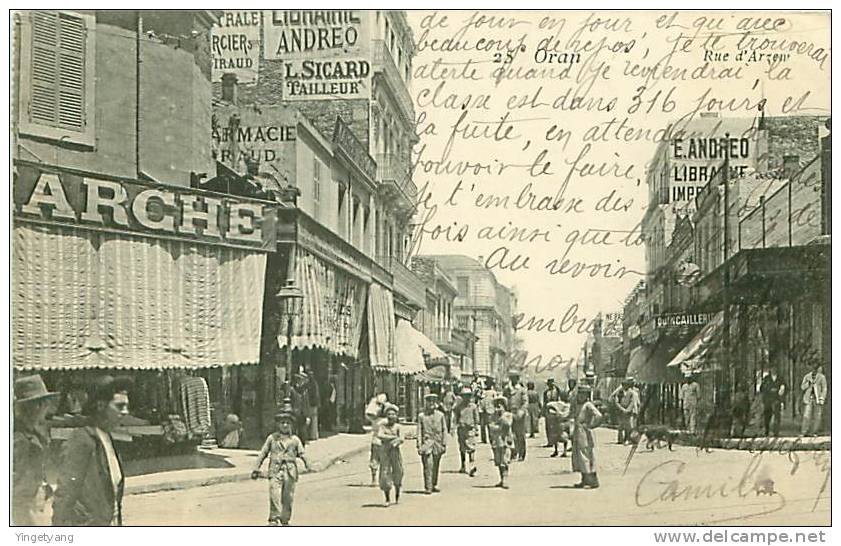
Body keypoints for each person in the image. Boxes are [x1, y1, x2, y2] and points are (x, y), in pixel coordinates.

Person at [53, 375, 131, 526]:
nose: (126, 412)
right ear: (101, 406)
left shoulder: (108, 439)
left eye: (127, 406)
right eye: (120, 406)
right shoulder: (81, 441)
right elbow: (65, 494)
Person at [251, 403, 310, 526]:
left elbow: (302, 454)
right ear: (278, 424)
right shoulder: (272, 439)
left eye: (287, 423)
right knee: (274, 494)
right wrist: (256, 468)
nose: (284, 425)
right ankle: (274, 518)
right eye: (282, 422)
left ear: (291, 425)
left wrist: (308, 465)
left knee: (288, 497)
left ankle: (285, 519)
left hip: (290, 471)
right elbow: (263, 453)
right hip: (275, 470)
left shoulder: (295, 440)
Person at [13, 374, 60, 526]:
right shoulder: (19, 439)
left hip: (34, 503)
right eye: (42, 403)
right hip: (23, 508)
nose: (45, 408)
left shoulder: (35, 432)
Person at [571, 384, 603, 489]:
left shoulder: (588, 405)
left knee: (586, 455)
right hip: (578, 432)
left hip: (585, 432)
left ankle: (592, 480)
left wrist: (591, 425)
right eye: (579, 393)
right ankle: (584, 479)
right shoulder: (577, 405)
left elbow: (598, 415)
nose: (580, 396)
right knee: (579, 456)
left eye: (583, 394)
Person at [417, 393, 447, 494]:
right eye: (429, 401)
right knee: (428, 465)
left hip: (438, 443)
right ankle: (428, 486)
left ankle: (434, 484)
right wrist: (419, 444)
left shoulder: (441, 415)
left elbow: (444, 430)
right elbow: (419, 431)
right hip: (427, 443)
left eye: (433, 401)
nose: (431, 403)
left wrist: (444, 443)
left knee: (436, 465)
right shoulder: (422, 416)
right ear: (426, 402)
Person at [376, 404, 404, 507]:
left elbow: (401, 438)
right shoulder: (382, 426)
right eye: (389, 414)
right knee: (384, 473)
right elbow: (380, 435)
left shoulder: (398, 426)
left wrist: (393, 440)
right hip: (385, 452)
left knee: (398, 472)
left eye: (393, 414)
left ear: (396, 416)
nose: (391, 416)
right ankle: (387, 498)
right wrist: (393, 437)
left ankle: (397, 495)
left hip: (395, 452)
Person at [488, 396, 514, 489]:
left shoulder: (507, 415)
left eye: (500, 405)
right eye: (496, 405)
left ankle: (505, 479)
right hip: (496, 440)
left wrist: (501, 417)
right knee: (498, 461)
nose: (498, 407)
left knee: (505, 460)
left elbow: (507, 424)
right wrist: (497, 428)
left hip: (505, 440)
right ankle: (501, 478)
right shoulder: (493, 416)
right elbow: (491, 426)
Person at [455, 386, 479, 477]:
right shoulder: (459, 407)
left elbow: (476, 418)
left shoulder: (473, 406)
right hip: (461, 429)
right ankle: (463, 465)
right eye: (465, 396)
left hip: (470, 429)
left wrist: (476, 428)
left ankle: (472, 466)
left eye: (468, 396)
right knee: (462, 448)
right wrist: (455, 426)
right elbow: (456, 417)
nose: (466, 398)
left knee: (471, 448)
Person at [365, 393, 388, 486]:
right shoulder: (385, 420)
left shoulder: (375, 420)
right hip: (382, 442)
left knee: (375, 460)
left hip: (377, 441)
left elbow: (368, 414)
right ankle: (379, 479)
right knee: (383, 461)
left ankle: (374, 479)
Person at [505, 371, 529, 461]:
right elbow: (504, 400)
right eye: (511, 378)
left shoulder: (522, 390)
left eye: (514, 378)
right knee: (511, 435)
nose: (513, 380)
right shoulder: (507, 389)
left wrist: (522, 411)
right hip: (510, 413)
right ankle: (513, 453)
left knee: (520, 435)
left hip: (519, 414)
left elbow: (525, 402)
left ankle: (522, 454)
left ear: (518, 379)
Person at [800, 363, 827, 437]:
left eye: (816, 369)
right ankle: (804, 431)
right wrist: (807, 384)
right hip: (809, 398)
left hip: (817, 398)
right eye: (813, 369)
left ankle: (814, 432)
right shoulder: (807, 376)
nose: (814, 370)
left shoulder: (822, 377)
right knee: (806, 415)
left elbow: (824, 388)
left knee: (817, 416)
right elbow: (802, 387)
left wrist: (822, 398)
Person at [545, 391, 572, 457]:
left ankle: (556, 450)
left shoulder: (556, 404)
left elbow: (548, 405)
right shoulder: (568, 405)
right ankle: (564, 451)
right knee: (565, 436)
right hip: (566, 421)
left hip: (557, 422)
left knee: (555, 436)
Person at [760, 368, 785, 437]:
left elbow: (784, 387)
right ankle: (766, 431)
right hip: (768, 400)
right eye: (772, 369)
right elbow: (762, 388)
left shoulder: (780, 378)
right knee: (767, 416)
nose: (774, 370)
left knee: (777, 416)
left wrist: (782, 389)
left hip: (776, 399)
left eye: (775, 369)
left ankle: (776, 432)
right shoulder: (766, 378)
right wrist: (768, 391)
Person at [617, 378, 641, 445]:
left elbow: (636, 401)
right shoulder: (624, 391)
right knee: (626, 425)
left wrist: (637, 408)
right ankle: (625, 439)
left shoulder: (635, 391)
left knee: (632, 425)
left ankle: (631, 439)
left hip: (633, 409)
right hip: (626, 409)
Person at [541, 378, 563, 447]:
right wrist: (543, 411)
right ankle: (550, 441)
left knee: (556, 427)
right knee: (548, 426)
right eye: (549, 384)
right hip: (548, 410)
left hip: (556, 409)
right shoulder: (546, 392)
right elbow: (544, 402)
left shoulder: (558, 391)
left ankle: (556, 441)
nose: (550, 385)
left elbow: (560, 400)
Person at [478, 378, 498, 444]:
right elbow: (481, 400)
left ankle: (491, 438)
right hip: (483, 409)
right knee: (483, 425)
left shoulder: (493, 392)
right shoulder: (484, 392)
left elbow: (496, 401)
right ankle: (484, 439)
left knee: (490, 425)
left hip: (490, 410)